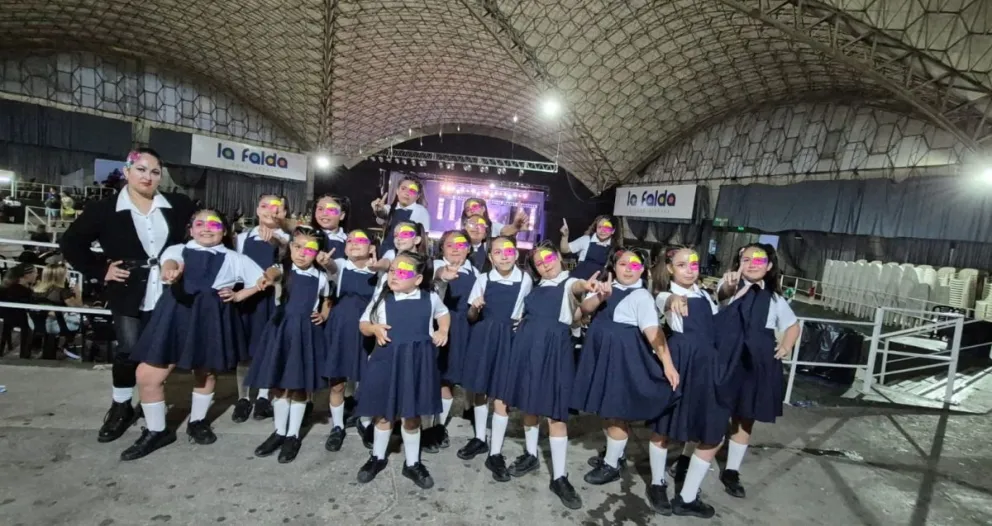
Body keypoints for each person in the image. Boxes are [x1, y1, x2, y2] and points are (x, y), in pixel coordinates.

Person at [60, 148, 196, 444]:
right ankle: (121, 405)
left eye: (155, 171)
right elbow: (70, 242)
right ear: (127, 171)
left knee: (158, 350)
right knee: (128, 349)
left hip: (168, 288)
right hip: (126, 289)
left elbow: (196, 235)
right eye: (141, 170)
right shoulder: (104, 209)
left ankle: (150, 402)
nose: (148, 177)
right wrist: (100, 269)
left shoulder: (178, 204)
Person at [120, 209, 271, 461]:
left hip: (211, 316)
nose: (206, 228)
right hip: (175, 315)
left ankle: (198, 421)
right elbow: (170, 264)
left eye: (214, 224)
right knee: (147, 374)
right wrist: (171, 273)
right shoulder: (177, 249)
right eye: (199, 223)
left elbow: (264, 278)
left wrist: (241, 294)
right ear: (190, 229)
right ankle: (157, 430)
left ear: (224, 231)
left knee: (205, 372)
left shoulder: (234, 258)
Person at [493, 243, 601, 510]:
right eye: (539, 262)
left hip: (555, 349)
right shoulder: (534, 287)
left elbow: (578, 293)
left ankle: (560, 477)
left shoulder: (569, 282)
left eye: (549, 258)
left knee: (555, 413)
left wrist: (588, 290)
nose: (545, 264)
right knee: (530, 405)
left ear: (559, 258)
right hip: (527, 346)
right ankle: (531, 454)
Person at [573, 250, 679, 496]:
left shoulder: (641, 296)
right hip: (602, 357)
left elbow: (653, 331)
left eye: (635, 265)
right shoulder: (606, 287)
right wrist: (600, 295)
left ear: (643, 270)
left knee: (615, 411)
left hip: (621, 360)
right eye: (623, 263)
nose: (629, 268)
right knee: (605, 409)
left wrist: (667, 363)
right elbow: (585, 309)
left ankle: (612, 465)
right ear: (614, 267)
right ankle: (615, 454)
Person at [355, 251, 450, 489]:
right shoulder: (381, 297)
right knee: (384, 414)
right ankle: (377, 457)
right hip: (387, 360)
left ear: (418, 279)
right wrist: (374, 329)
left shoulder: (430, 298)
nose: (395, 275)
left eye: (404, 272)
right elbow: (363, 324)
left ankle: (413, 463)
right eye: (392, 270)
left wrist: (443, 331)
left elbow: (444, 314)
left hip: (417, 363)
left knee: (412, 415)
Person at [715, 243, 800, 499]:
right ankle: (689, 459)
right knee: (714, 412)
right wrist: (731, 283)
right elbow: (722, 294)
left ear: (770, 266)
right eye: (746, 258)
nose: (752, 264)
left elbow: (793, 326)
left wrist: (785, 345)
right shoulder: (729, 284)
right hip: (725, 359)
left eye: (759, 260)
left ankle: (731, 471)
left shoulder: (775, 299)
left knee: (745, 418)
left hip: (756, 364)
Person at [647, 246, 726, 518]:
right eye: (682, 265)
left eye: (693, 264)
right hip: (681, 365)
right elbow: (666, 303)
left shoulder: (705, 295)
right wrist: (674, 302)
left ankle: (687, 497)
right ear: (670, 268)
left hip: (708, 367)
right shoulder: (666, 294)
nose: (690, 269)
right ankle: (657, 484)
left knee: (713, 432)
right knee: (664, 429)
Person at [248, 227, 332, 463]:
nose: (302, 253)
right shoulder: (282, 270)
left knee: (298, 386)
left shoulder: (321, 277)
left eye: (310, 249)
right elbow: (271, 273)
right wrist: (266, 278)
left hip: (306, 333)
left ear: (318, 253)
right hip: (281, 331)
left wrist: (324, 315)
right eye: (297, 247)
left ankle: (293, 435)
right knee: (279, 385)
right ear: (290, 248)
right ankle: (279, 431)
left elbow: (327, 299)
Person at [458, 237, 532, 480]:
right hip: (484, 337)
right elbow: (470, 317)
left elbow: (524, 313)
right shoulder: (484, 279)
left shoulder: (524, 280)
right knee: (480, 391)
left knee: (502, 396)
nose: (504, 256)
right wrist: (475, 308)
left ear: (516, 254)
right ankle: (480, 438)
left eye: (509, 251)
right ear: (490, 257)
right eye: (497, 252)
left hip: (508, 340)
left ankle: (496, 452)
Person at [232, 194, 290, 423]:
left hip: (274, 300)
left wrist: (279, 243)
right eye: (265, 206)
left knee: (268, 349)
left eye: (277, 207)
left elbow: (289, 263)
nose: (270, 211)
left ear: (284, 213)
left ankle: (264, 397)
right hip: (247, 300)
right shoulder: (242, 238)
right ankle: (243, 398)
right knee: (244, 352)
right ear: (257, 210)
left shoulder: (289, 239)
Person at [319, 229, 378, 452]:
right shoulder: (342, 265)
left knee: (367, 378)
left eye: (361, 240)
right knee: (337, 382)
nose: (354, 244)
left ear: (372, 247)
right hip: (341, 329)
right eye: (350, 240)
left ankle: (365, 422)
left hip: (367, 330)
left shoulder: (380, 270)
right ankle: (337, 426)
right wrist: (327, 263)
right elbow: (332, 268)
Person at [427, 230, 479, 452]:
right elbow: (436, 274)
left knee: (449, 378)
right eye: (450, 244)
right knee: (435, 378)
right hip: (438, 327)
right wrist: (443, 275)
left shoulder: (476, 272)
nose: (456, 248)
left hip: (464, 330)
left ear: (469, 248)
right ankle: (430, 428)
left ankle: (438, 426)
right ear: (442, 248)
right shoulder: (435, 265)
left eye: (461, 244)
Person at [32, 263, 84, 360]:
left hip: (35, 324)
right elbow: (79, 307)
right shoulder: (62, 292)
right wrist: (78, 293)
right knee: (82, 320)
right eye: (66, 274)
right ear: (61, 276)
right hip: (57, 325)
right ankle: (69, 344)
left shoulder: (34, 289)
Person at [371, 176, 430, 255]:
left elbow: (424, 239)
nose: (407, 193)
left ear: (418, 196)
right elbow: (382, 213)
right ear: (397, 191)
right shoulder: (389, 208)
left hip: (406, 256)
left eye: (412, 191)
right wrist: (378, 210)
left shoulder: (421, 212)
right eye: (403, 188)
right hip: (385, 252)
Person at [559, 215, 622, 280]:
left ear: (613, 231)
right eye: (599, 227)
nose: (602, 231)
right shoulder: (586, 240)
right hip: (577, 280)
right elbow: (564, 250)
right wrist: (565, 236)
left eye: (607, 228)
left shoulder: (615, 249)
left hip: (597, 284)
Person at [0, 263, 38, 358]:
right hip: (21, 319)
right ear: (26, 275)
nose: (37, 275)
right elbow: (32, 307)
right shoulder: (24, 291)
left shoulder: (7, 288)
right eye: (35, 273)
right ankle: (28, 353)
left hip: (7, 318)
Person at [459, 197, 527, 238]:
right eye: (468, 209)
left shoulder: (493, 226)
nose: (471, 210)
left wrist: (515, 227)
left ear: (483, 209)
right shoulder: (464, 231)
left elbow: (506, 231)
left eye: (475, 207)